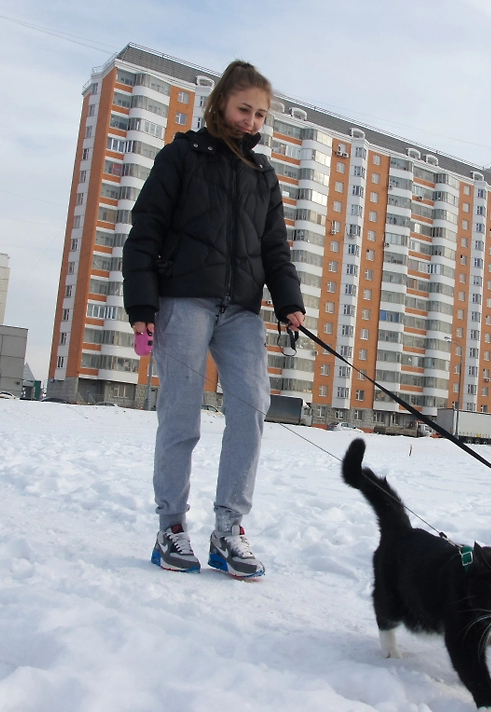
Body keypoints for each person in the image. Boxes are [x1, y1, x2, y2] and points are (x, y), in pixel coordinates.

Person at [122, 60, 304, 578]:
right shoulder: (181, 156)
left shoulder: (262, 175)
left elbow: (275, 248)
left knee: (251, 409)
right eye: (244, 109)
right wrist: (141, 306)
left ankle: (228, 529)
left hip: (241, 310)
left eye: (260, 114)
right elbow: (146, 230)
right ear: (222, 102)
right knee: (181, 415)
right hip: (183, 301)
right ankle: (171, 526)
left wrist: (289, 301)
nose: (251, 121)